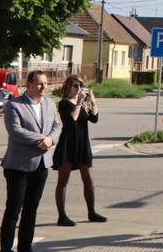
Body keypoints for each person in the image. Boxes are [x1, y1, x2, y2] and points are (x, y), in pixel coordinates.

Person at [1, 70, 62, 252]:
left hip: (42, 163)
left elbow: (57, 125)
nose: (44, 87)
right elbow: (15, 130)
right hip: (18, 165)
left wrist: (51, 139)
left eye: (45, 83)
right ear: (28, 85)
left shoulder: (49, 103)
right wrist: (41, 139)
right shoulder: (14, 105)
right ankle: (5, 248)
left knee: (31, 209)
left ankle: (25, 247)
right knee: (14, 209)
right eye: (39, 84)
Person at [53, 75, 106, 226]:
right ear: (68, 87)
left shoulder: (82, 103)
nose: (78, 89)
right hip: (68, 144)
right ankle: (62, 216)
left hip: (82, 144)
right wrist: (80, 101)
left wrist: (92, 100)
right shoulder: (64, 103)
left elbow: (94, 118)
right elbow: (71, 120)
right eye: (75, 86)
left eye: (80, 86)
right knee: (63, 181)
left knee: (89, 180)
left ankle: (91, 212)